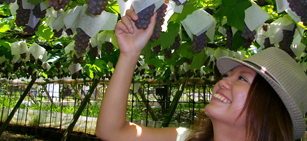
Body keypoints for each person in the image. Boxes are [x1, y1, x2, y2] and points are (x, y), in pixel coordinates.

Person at [95, 8, 307, 141]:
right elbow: (112, 132)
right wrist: (130, 53)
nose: (222, 82)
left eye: (242, 78)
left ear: (269, 107)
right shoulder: (184, 138)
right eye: (227, 76)